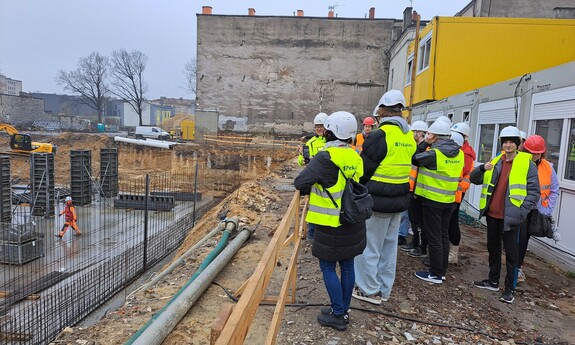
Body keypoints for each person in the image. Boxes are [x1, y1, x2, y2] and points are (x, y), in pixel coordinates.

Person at [294, 111, 366, 331]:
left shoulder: (326, 157)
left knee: (327, 266)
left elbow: (300, 181)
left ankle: (338, 313)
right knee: (347, 265)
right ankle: (343, 309)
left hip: (331, 222)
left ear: (331, 131)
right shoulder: (355, 155)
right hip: (352, 220)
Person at [353, 90, 416, 304]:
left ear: (382, 110)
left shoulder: (380, 135)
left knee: (370, 246)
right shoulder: (409, 135)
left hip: (378, 200)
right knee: (389, 248)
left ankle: (368, 290)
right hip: (398, 200)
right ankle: (384, 289)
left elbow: (363, 170)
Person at [470, 126, 540, 304]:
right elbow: (474, 179)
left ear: (518, 145)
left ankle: (510, 289)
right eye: (505, 142)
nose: (508, 145)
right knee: (492, 249)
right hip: (493, 214)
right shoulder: (496, 161)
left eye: (511, 142)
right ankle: (493, 281)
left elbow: (534, 193)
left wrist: (521, 213)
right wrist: (482, 169)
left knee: (512, 255)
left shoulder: (527, 164)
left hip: (511, 218)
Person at [412, 120, 464, 284]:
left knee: (434, 238)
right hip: (448, 200)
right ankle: (441, 272)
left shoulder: (433, 154)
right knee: (442, 236)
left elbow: (414, 158)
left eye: (429, 134)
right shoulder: (459, 153)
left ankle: (435, 273)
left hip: (432, 201)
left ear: (433, 136)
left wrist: (424, 143)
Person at [517, 135, 559, 283]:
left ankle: (517, 268)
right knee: (516, 238)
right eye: (532, 152)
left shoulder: (548, 167)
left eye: (538, 153)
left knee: (524, 239)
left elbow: (554, 190)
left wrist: (546, 210)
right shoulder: (519, 164)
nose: (535, 155)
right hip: (520, 207)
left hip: (536, 211)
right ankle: (514, 266)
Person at [448, 122, 477, 264]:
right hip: (452, 191)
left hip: (456, 193)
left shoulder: (465, 154)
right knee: (449, 222)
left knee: (451, 222)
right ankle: (449, 252)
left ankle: (452, 254)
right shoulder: (462, 150)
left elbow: (462, 174)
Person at [298, 112, 328, 240]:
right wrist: (302, 156)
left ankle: (323, 233)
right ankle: (311, 233)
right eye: (317, 126)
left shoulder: (330, 142)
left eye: (321, 126)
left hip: (328, 179)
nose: (319, 128)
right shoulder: (311, 143)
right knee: (313, 207)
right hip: (314, 180)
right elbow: (301, 162)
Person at [399, 120, 428, 253]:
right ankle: (415, 243)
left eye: (413, 132)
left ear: (418, 133)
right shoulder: (417, 147)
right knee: (413, 219)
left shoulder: (426, 150)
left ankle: (420, 246)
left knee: (419, 221)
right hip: (411, 189)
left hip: (418, 190)